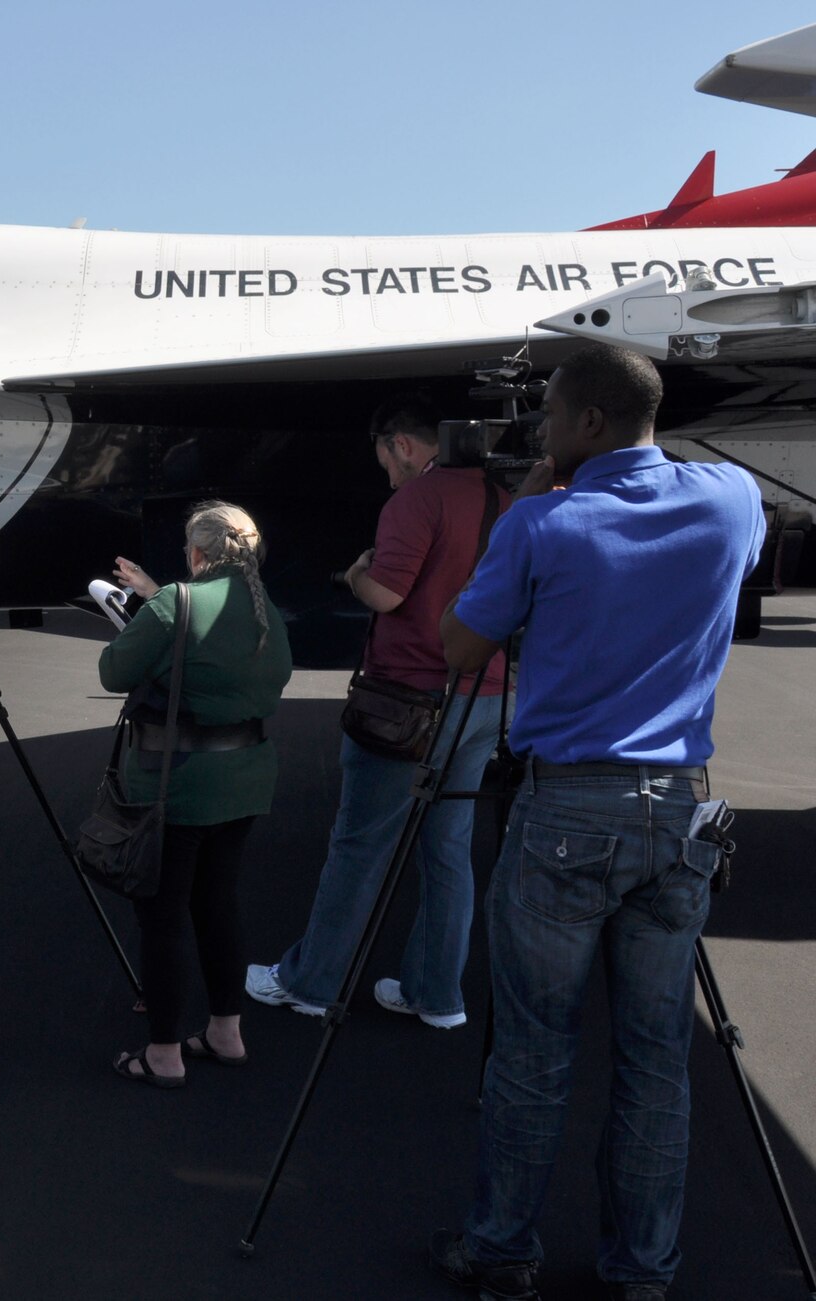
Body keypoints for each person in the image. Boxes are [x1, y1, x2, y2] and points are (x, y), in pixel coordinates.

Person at [429, 344, 763, 1301]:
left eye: (550, 418)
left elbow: (458, 646)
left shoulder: (542, 521)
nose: (539, 433)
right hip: (680, 807)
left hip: (569, 802)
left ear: (583, 425)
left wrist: (536, 497)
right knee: (656, 1059)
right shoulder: (731, 499)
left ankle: (501, 1253)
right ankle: (642, 1270)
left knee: (534, 1052)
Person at [246, 396, 510, 1030]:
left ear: (403, 445)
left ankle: (312, 984)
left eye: (385, 458)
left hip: (409, 701)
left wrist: (355, 575)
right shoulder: (505, 495)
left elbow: (389, 593)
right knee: (448, 852)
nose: (385, 472)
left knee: (360, 846)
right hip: (487, 694)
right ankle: (436, 996)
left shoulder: (417, 499)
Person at [103, 503, 293, 1085]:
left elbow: (114, 672)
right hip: (245, 780)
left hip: (175, 786)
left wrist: (145, 618)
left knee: (163, 919)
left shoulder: (171, 605)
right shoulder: (267, 613)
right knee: (218, 904)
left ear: (197, 553)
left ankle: (162, 1054)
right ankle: (225, 1032)